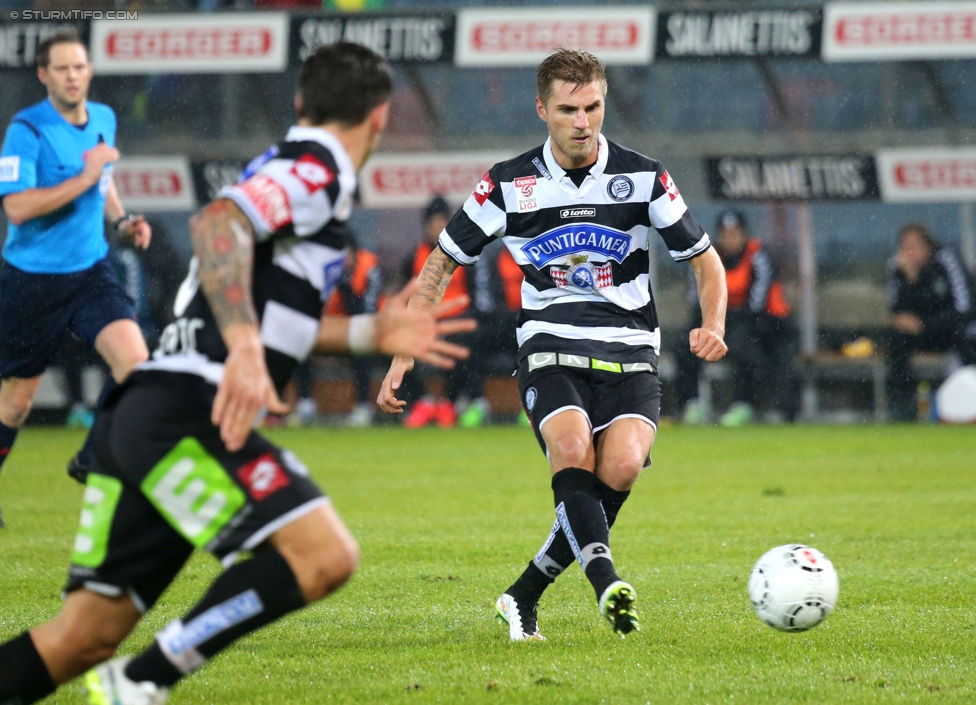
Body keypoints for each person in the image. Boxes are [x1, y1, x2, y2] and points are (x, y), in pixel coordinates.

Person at [0, 42, 474, 704]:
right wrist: (248, 352)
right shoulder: (321, 169)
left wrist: (367, 333)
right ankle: (141, 681)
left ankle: (132, 677)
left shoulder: (290, 163)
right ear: (380, 117)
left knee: (80, 635)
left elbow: (266, 304)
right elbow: (218, 223)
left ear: (301, 102)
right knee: (324, 554)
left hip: (148, 412)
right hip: (184, 414)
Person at [379, 48, 728, 639]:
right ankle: (606, 583)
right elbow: (440, 264)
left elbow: (706, 261)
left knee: (618, 468)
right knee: (571, 451)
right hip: (549, 347)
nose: (582, 122)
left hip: (630, 348)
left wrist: (714, 323)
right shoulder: (508, 183)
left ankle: (524, 595)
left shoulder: (645, 176)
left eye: (592, 107)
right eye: (568, 109)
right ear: (542, 109)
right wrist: (404, 348)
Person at [0, 30, 153, 527]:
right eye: (62, 68)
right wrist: (84, 178)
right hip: (31, 281)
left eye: (80, 67)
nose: (73, 76)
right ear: (43, 75)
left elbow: (103, 184)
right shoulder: (27, 130)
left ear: (90, 71)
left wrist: (123, 221)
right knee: (17, 406)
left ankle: (93, 456)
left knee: (136, 363)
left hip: (91, 271)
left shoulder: (103, 118)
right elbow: (17, 208)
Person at [675, 210, 798, 426]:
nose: (730, 239)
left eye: (735, 233)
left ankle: (744, 405)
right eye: (725, 234)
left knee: (747, 348)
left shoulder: (757, 254)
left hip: (759, 323)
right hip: (719, 321)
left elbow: (757, 303)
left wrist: (727, 321)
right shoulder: (708, 257)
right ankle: (692, 404)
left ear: (745, 234)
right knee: (684, 346)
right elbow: (697, 296)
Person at [398, 195, 482, 428]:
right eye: (433, 223)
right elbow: (404, 295)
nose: (437, 228)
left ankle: (450, 403)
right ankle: (423, 401)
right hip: (424, 323)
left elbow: (474, 296)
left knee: (463, 342)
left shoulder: (465, 256)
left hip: (458, 320)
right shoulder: (414, 257)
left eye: (441, 223)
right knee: (398, 344)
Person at [885, 223, 976, 421]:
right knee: (897, 340)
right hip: (921, 334)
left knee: (967, 339)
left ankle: (967, 406)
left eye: (913, 247)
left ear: (928, 247)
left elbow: (965, 308)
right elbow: (897, 311)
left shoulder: (947, 261)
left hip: (950, 329)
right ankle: (902, 408)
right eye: (905, 247)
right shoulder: (897, 266)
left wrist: (926, 324)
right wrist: (911, 279)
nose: (908, 253)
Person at [325, 229, 385, 427]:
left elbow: (367, 310)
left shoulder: (369, 266)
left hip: (372, 329)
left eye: (346, 253)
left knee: (362, 350)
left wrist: (347, 289)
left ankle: (364, 406)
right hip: (332, 331)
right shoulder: (328, 269)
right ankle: (303, 404)